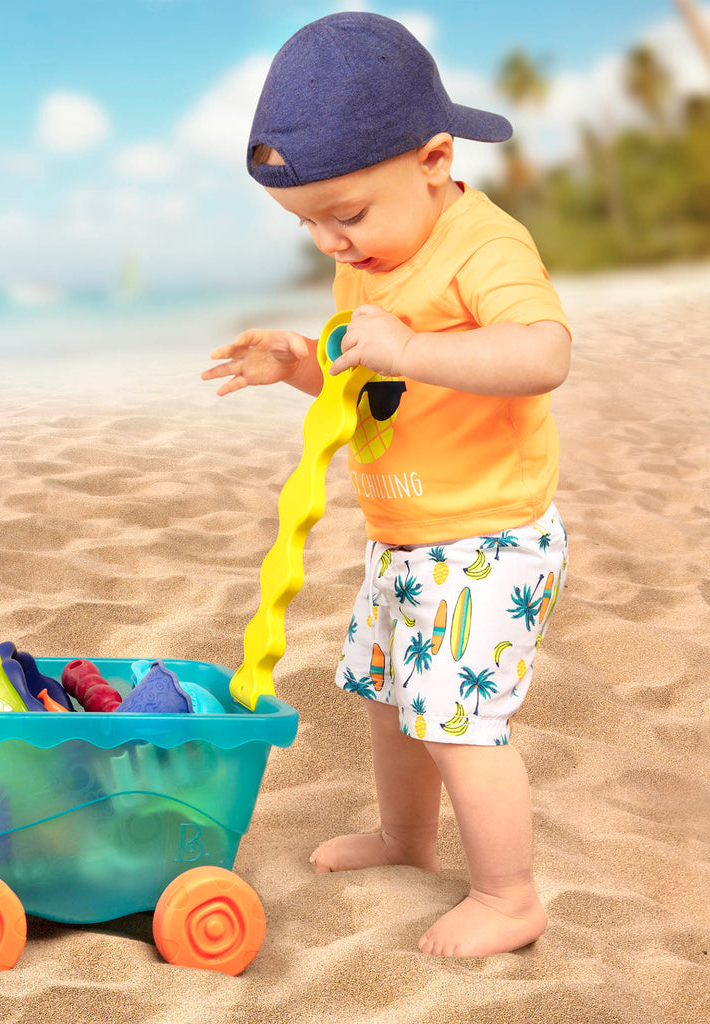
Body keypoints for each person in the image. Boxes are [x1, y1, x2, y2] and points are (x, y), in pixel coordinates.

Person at [202, 12, 571, 958]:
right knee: (392, 696)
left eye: (347, 214)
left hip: (487, 538)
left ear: (436, 160)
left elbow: (543, 354)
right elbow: (365, 376)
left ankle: (509, 894)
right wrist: (297, 363)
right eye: (307, 223)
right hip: (405, 536)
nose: (330, 242)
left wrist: (413, 345)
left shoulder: (483, 248)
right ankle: (407, 839)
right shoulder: (368, 262)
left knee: (457, 721)